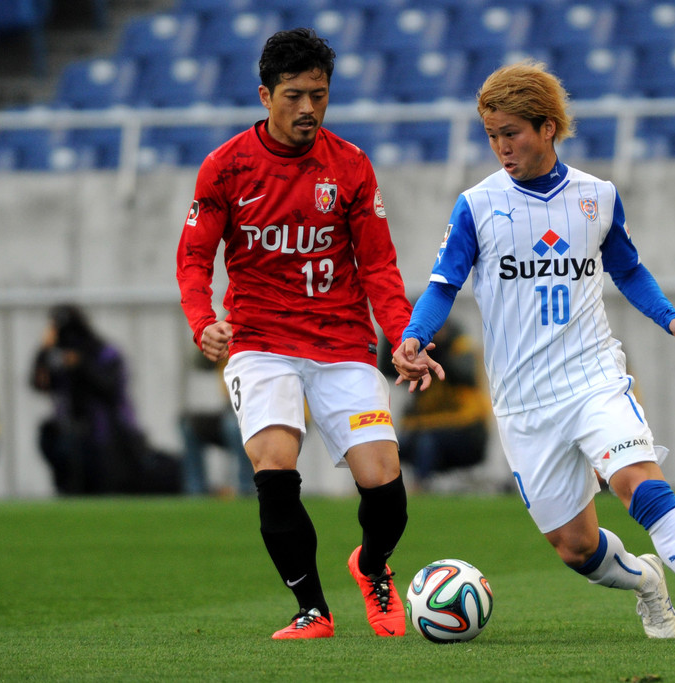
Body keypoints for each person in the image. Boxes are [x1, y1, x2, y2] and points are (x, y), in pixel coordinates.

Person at [394, 61, 675, 644]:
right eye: (492, 136)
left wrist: (670, 318)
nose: (501, 147)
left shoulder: (597, 197)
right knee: (575, 547)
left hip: (593, 378)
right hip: (523, 401)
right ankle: (647, 583)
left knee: (641, 484)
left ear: (548, 127)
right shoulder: (477, 206)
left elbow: (627, 269)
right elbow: (442, 286)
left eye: (512, 133)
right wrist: (414, 337)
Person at [175, 28, 438, 640]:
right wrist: (202, 323)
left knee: (387, 491)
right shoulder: (226, 167)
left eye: (319, 95)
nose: (308, 109)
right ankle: (313, 611)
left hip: (342, 344)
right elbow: (194, 259)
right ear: (265, 95)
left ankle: (371, 566)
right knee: (274, 468)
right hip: (260, 344)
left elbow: (378, 265)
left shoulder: (349, 167)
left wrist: (403, 337)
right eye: (294, 95)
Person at [30, 304, 180, 495]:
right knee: (49, 435)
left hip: (109, 433)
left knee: (106, 486)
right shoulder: (56, 355)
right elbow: (39, 383)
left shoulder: (103, 352)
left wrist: (80, 364)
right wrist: (43, 352)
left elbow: (109, 388)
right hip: (70, 428)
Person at [380, 317, 492, 492]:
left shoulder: (461, 346)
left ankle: (419, 488)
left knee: (427, 442)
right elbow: (387, 369)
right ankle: (378, 489)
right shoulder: (418, 358)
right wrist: (395, 340)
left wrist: (437, 349)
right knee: (391, 445)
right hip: (428, 425)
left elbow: (465, 374)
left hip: (467, 428)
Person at [180, 355, 254, 497]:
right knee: (189, 425)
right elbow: (201, 364)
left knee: (234, 427)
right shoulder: (229, 336)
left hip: (266, 409)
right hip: (232, 409)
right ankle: (196, 491)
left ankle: (247, 488)